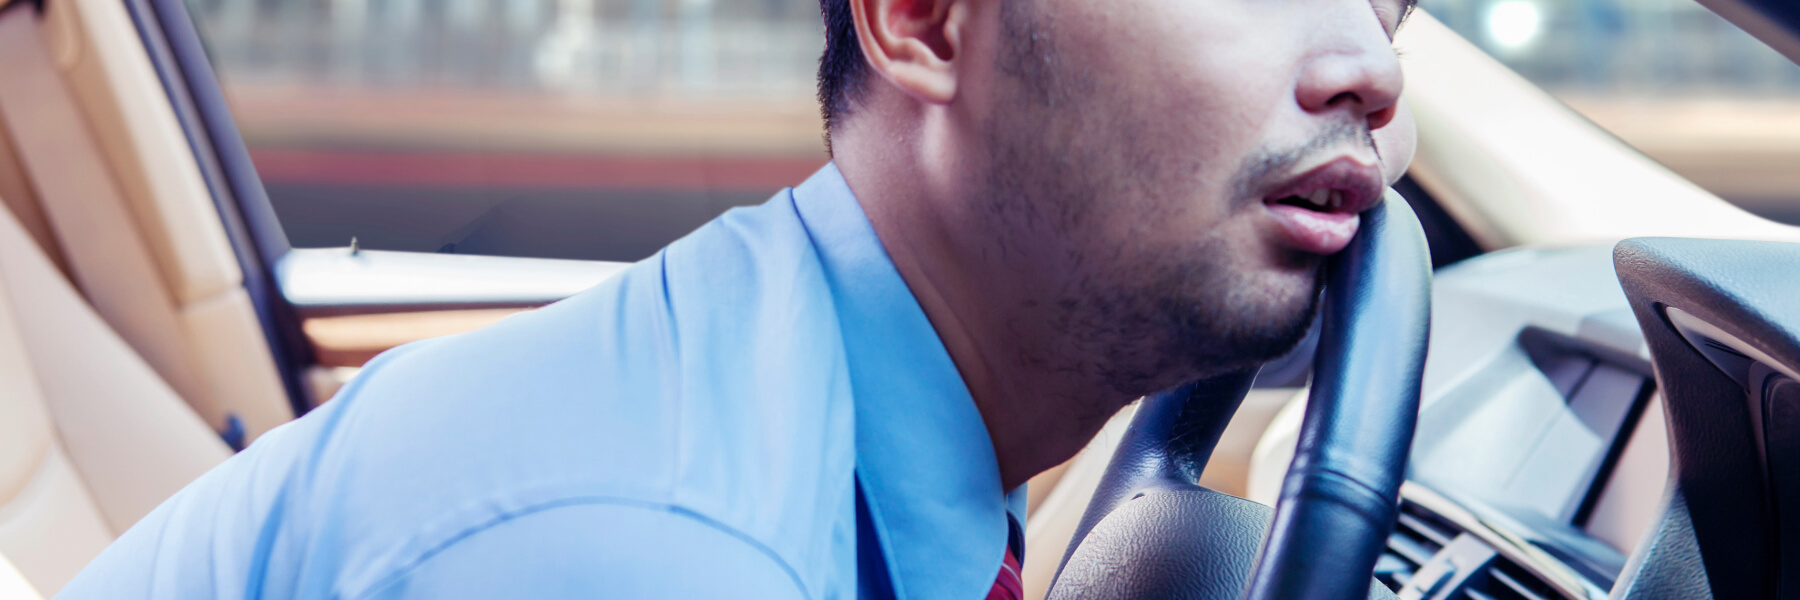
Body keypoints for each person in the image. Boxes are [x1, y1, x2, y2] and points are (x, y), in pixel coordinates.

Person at [61, 0, 1417, 597]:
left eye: (1388, 3)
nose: (1376, 68)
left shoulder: (852, 393)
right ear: (924, 19)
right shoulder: (658, 554)